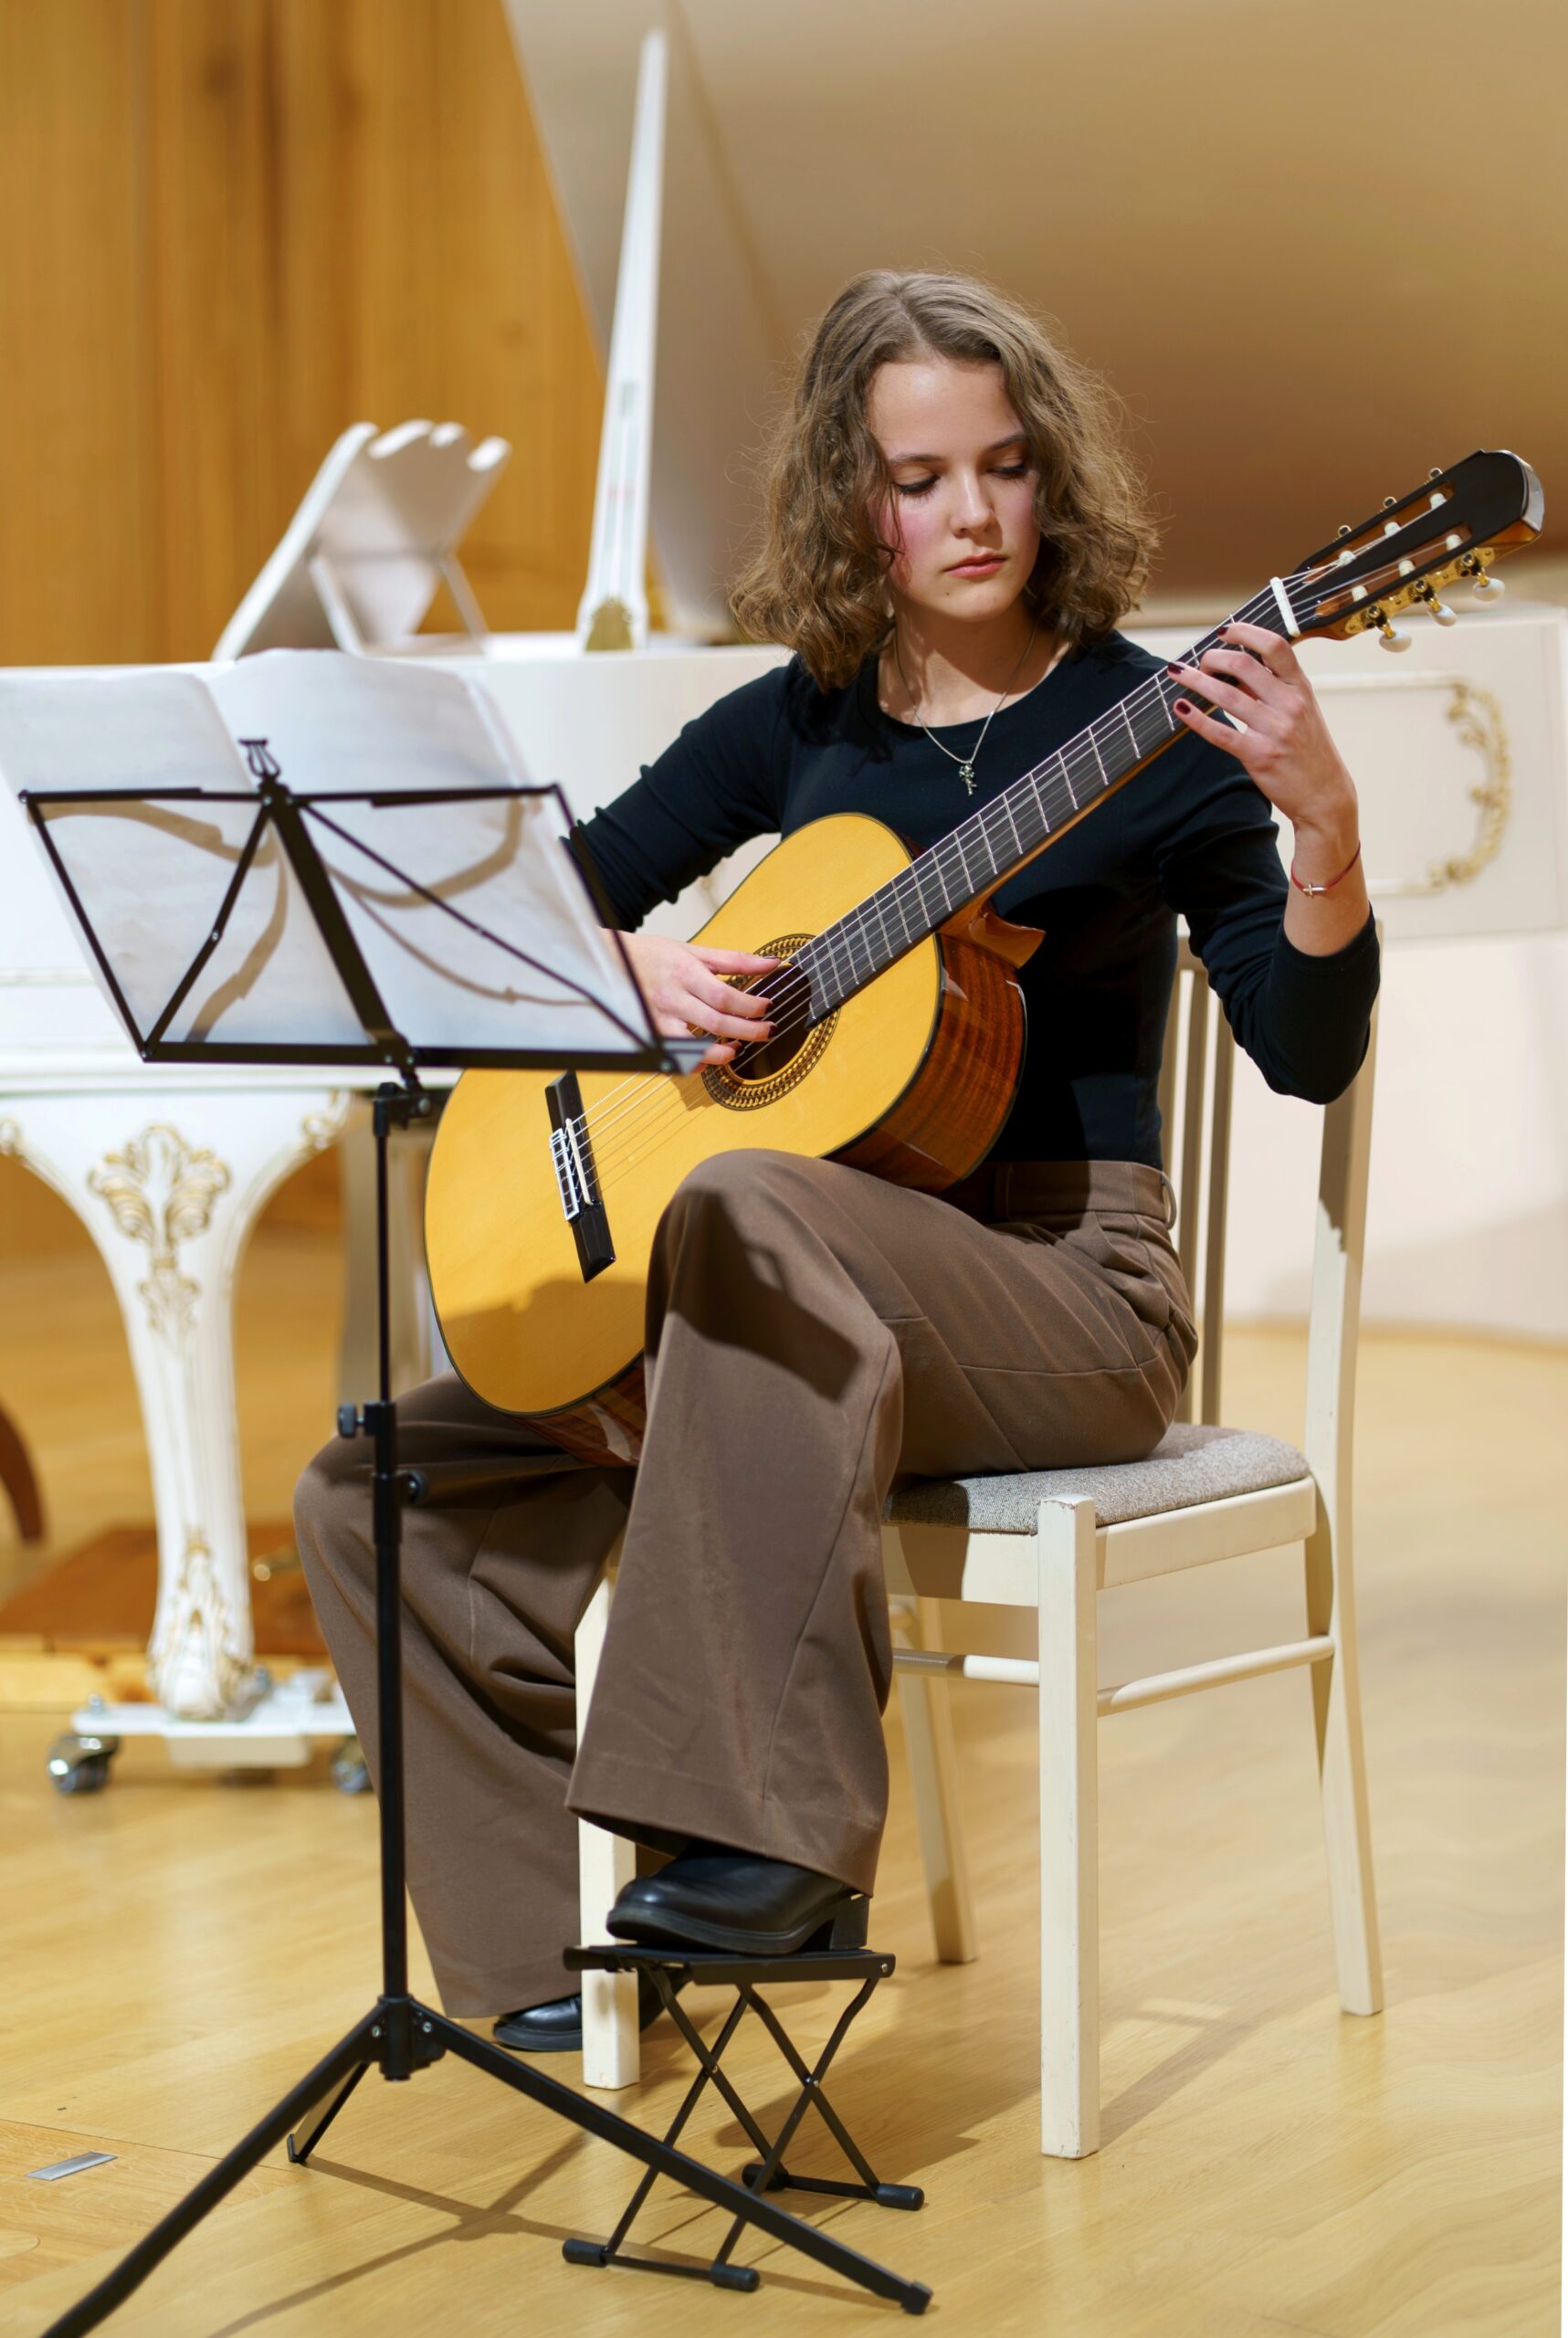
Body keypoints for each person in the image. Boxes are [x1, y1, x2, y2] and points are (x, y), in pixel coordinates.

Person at [296, 270, 1378, 2053]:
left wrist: (1321, 830)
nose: (973, 513)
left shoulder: (1156, 734)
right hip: (772, 1310)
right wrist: (623, 967)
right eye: (918, 477)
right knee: (375, 1488)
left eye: (1005, 465)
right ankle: (550, 1985)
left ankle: (763, 1840)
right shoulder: (804, 720)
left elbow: (1305, 1047)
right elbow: (520, 909)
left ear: (1052, 474)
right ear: (846, 499)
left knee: (743, 1199)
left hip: (1060, 1297)